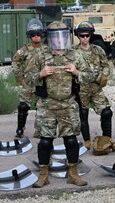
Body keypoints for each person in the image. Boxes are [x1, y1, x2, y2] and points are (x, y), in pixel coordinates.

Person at [25, 21, 94, 188]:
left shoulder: (75, 55)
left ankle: (73, 174)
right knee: (45, 142)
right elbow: (27, 78)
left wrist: (76, 72)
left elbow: (91, 76)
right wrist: (40, 74)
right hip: (47, 105)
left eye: (62, 36)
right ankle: (43, 175)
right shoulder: (41, 55)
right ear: (49, 38)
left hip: (68, 104)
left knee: (70, 141)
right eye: (55, 37)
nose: (59, 40)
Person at [72, 21, 115, 154]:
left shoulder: (98, 50)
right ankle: (86, 140)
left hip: (96, 89)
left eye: (87, 35)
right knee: (83, 115)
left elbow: (105, 64)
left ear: (91, 35)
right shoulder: (73, 52)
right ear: (78, 36)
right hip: (81, 89)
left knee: (107, 112)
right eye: (82, 36)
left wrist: (104, 74)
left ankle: (106, 140)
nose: (85, 38)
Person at [11, 18, 48, 139]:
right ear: (29, 36)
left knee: (42, 107)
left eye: (38, 34)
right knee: (23, 107)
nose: (36, 37)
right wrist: (20, 78)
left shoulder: (47, 49)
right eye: (33, 35)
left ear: (42, 35)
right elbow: (15, 63)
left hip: (42, 82)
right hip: (28, 83)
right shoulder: (24, 50)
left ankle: (40, 130)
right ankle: (20, 129)